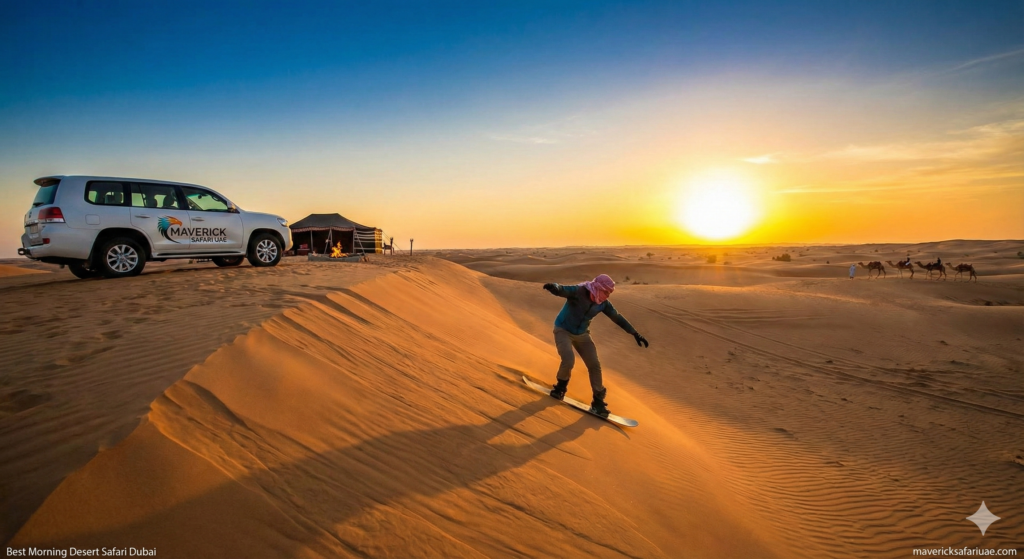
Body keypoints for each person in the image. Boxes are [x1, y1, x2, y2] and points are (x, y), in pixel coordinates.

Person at [542, 274, 649, 417]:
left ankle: (598, 402)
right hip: (563, 330)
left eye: (610, 293)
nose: (608, 295)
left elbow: (616, 317)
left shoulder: (603, 303)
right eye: (606, 292)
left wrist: (635, 333)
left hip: (582, 334)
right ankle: (560, 387)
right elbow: (563, 290)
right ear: (598, 287)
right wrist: (554, 287)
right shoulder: (579, 291)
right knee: (568, 359)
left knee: (594, 365)